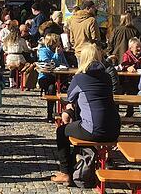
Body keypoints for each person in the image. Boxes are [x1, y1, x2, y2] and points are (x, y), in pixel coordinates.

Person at [50, 44, 120, 186]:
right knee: (76, 127)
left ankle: (65, 172)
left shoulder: (80, 78)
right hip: (114, 128)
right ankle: (79, 168)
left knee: (61, 131)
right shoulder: (106, 76)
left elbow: (70, 98)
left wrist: (68, 110)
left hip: (95, 128)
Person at [37, 33, 69, 122]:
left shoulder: (60, 51)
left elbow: (65, 63)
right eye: (58, 41)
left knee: (67, 87)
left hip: (58, 77)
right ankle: (50, 113)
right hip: (46, 77)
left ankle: (65, 112)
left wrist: (63, 63)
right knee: (51, 88)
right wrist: (56, 55)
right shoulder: (43, 51)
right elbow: (48, 63)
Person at [2, 21, 29, 88]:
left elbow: (4, 48)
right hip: (19, 58)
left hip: (9, 58)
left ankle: (11, 81)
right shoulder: (22, 40)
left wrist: (8, 51)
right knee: (26, 64)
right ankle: (21, 81)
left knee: (12, 67)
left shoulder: (7, 40)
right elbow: (26, 49)